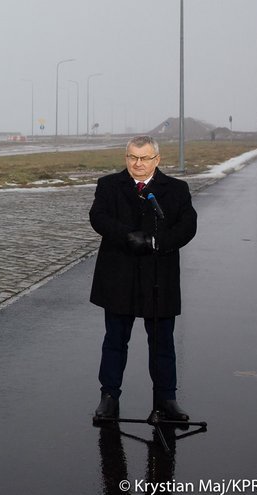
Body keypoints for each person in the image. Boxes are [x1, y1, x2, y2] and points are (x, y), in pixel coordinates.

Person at [90, 135, 197, 422]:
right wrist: (127, 236)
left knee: (162, 342)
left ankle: (166, 399)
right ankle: (109, 397)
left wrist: (156, 242)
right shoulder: (109, 185)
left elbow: (187, 226)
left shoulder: (176, 189)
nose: (137, 164)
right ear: (126, 157)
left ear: (157, 160)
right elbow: (98, 217)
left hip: (158, 276)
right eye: (132, 158)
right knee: (115, 339)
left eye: (144, 158)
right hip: (118, 274)